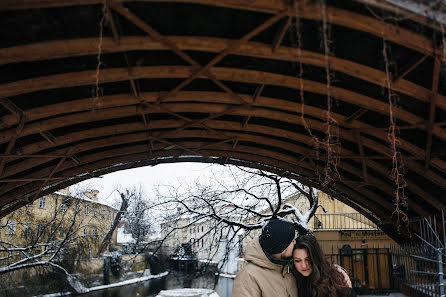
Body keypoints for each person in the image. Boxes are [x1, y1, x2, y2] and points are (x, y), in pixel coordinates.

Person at [232, 219, 298, 297]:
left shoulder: (289, 270)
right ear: (281, 246)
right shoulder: (248, 277)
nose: (295, 242)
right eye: (291, 240)